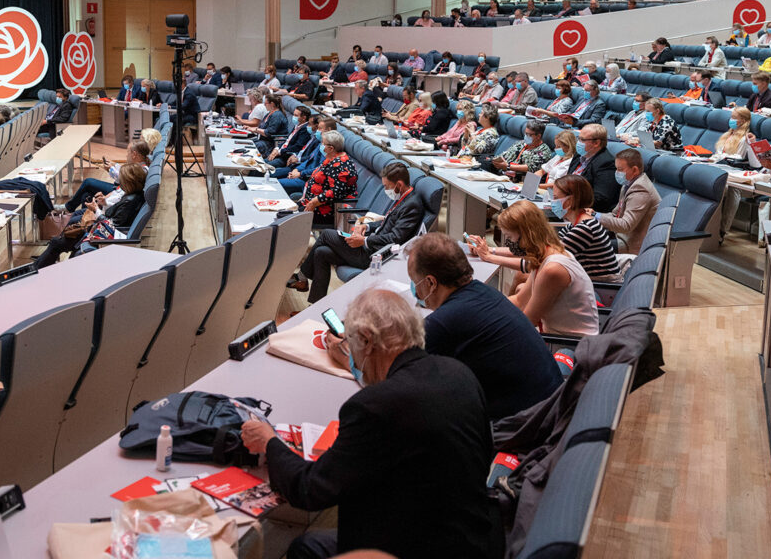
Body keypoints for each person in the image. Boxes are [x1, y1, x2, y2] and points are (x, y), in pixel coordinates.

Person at [242, 289, 503, 559]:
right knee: (307, 545)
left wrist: (269, 442)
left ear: (366, 341)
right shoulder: (459, 373)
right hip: (472, 539)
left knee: (305, 547)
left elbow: (311, 491)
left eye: (351, 343)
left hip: (417, 546)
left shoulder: (373, 407)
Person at [396, 233, 564, 420]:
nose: (414, 288)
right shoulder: (483, 292)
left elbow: (397, 375)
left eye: (415, 280)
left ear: (430, 282)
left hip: (524, 427)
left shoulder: (444, 322)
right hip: (551, 407)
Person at [290, 163, 425, 302]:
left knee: (326, 235)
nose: (385, 190)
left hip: (376, 255)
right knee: (321, 253)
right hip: (371, 244)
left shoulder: (412, 205)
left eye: (386, 186)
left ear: (399, 185)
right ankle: (314, 307)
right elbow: (387, 224)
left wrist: (364, 241)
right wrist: (367, 227)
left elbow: (396, 238)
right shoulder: (403, 198)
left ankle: (302, 276)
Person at [469, 201, 599, 336]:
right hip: (559, 337)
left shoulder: (553, 269)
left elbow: (528, 321)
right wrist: (482, 309)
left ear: (526, 235)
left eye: (509, 237)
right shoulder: (547, 253)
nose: (508, 243)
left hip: (568, 345)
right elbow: (520, 300)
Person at [34, 163, 147, 269]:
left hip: (102, 237)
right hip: (101, 231)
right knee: (60, 240)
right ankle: (38, 266)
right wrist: (103, 204)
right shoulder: (133, 196)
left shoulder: (129, 200)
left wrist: (96, 209)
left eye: (122, 179)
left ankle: (36, 270)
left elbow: (111, 225)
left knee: (56, 243)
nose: (120, 182)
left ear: (129, 181)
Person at [551, 175, 622, 282]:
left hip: (600, 285)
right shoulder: (575, 223)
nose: (552, 202)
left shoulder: (584, 228)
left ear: (570, 201)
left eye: (556, 198)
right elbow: (554, 244)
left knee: (526, 275)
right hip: (587, 278)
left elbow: (551, 256)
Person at [64, 139, 150, 211]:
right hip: (119, 190)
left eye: (128, 152)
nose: (126, 155)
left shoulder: (142, 170)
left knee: (88, 182)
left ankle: (70, 209)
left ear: (134, 154)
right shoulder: (139, 166)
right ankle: (82, 218)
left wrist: (111, 170)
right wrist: (114, 166)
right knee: (86, 195)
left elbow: (125, 181)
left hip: (119, 193)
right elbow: (126, 176)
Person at [300, 131, 358, 223]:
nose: (321, 145)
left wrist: (315, 201)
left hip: (325, 211)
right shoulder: (331, 159)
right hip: (312, 204)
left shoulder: (340, 166)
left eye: (323, 143)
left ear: (331, 148)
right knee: (284, 212)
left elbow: (336, 192)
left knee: (285, 218)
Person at [566, 123, 621, 212]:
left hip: (585, 211)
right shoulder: (578, 155)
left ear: (596, 143)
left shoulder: (606, 163)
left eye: (582, 139)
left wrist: (571, 202)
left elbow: (601, 199)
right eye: (578, 138)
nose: (578, 142)